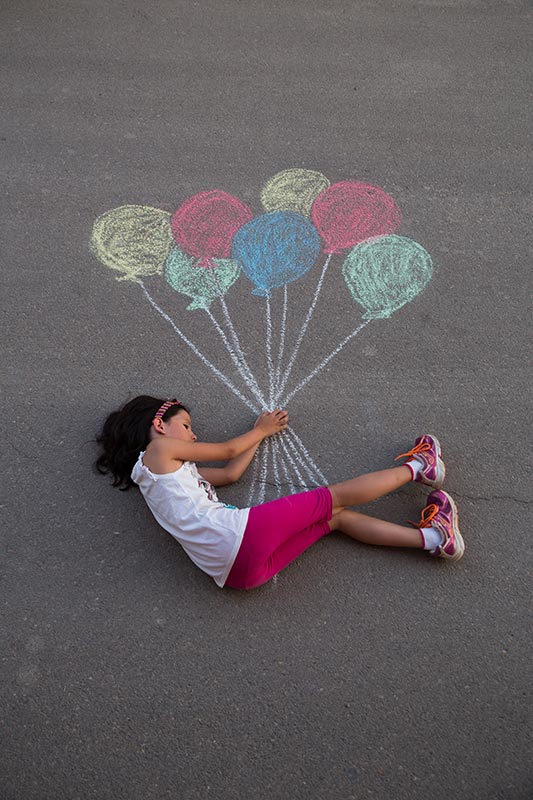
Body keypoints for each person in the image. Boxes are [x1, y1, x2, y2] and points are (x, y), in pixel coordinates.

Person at [95, 396, 464, 590]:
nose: (192, 435)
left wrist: (260, 433)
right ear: (159, 425)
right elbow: (225, 451)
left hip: (235, 575)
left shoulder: (160, 477)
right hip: (239, 536)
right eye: (187, 426)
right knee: (335, 497)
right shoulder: (159, 451)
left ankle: (435, 538)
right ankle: (421, 468)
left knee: (335, 519)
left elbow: (230, 472)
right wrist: (263, 429)